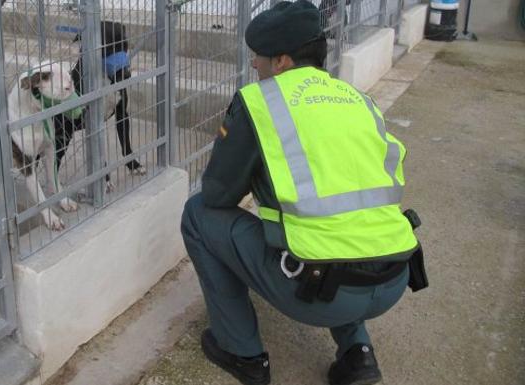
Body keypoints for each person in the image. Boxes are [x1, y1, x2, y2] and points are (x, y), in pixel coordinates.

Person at [180, 1, 428, 385]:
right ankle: (358, 353)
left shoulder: (262, 101)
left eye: (257, 58)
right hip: (394, 275)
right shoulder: (358, 99)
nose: (253, 66)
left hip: (321, 291)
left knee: (197, 215)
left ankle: (241, 352)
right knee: (346, 232)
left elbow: (217, 194)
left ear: (280, 62)